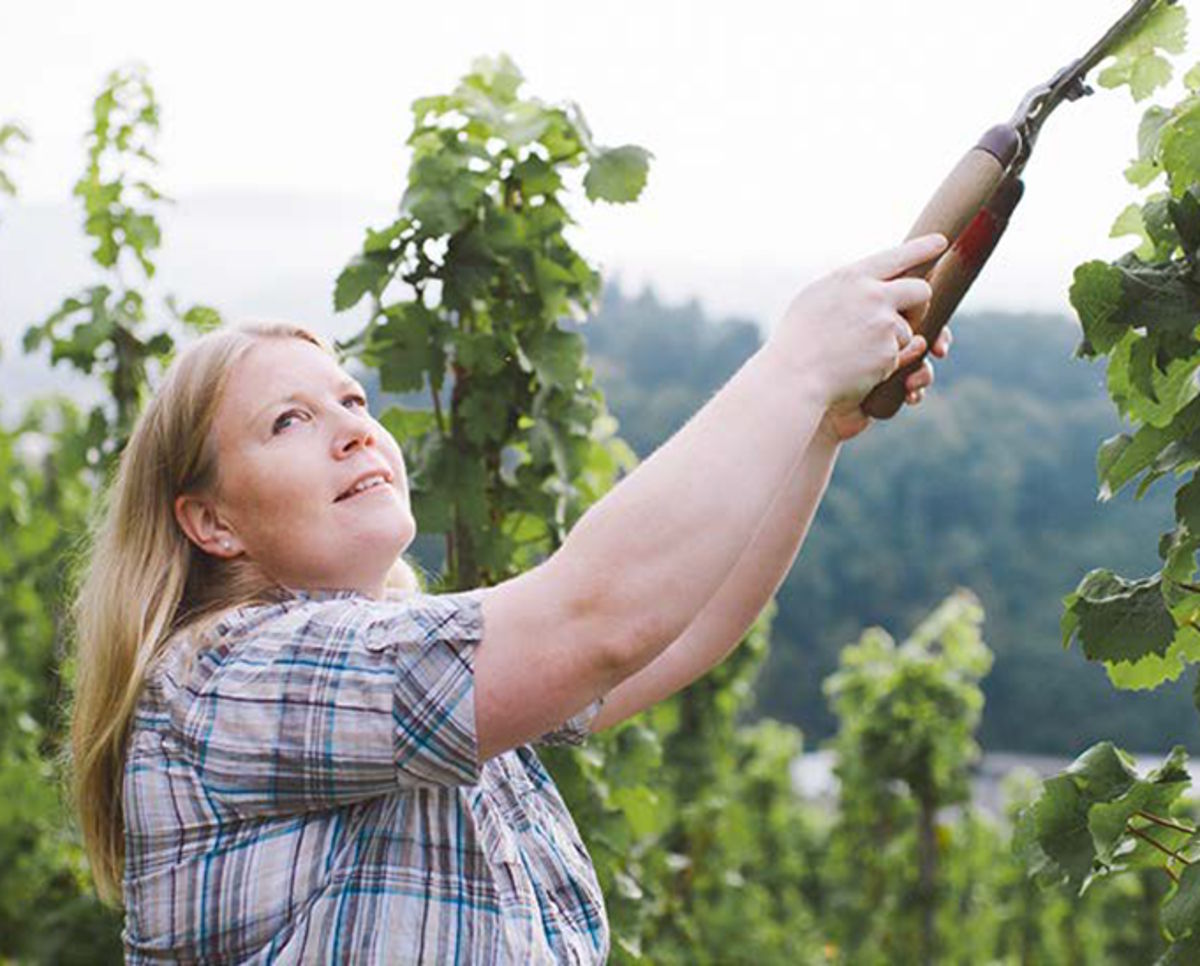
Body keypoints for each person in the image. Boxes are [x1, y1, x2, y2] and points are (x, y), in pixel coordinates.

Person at [68, 232, 950, 963]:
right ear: (211, 521)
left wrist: (816, 429)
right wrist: (795, 367)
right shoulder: (226, 679)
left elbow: (684, 630)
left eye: (352, 399)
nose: (353, 430)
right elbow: (597, 623)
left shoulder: (402, 666)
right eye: (288, 420)